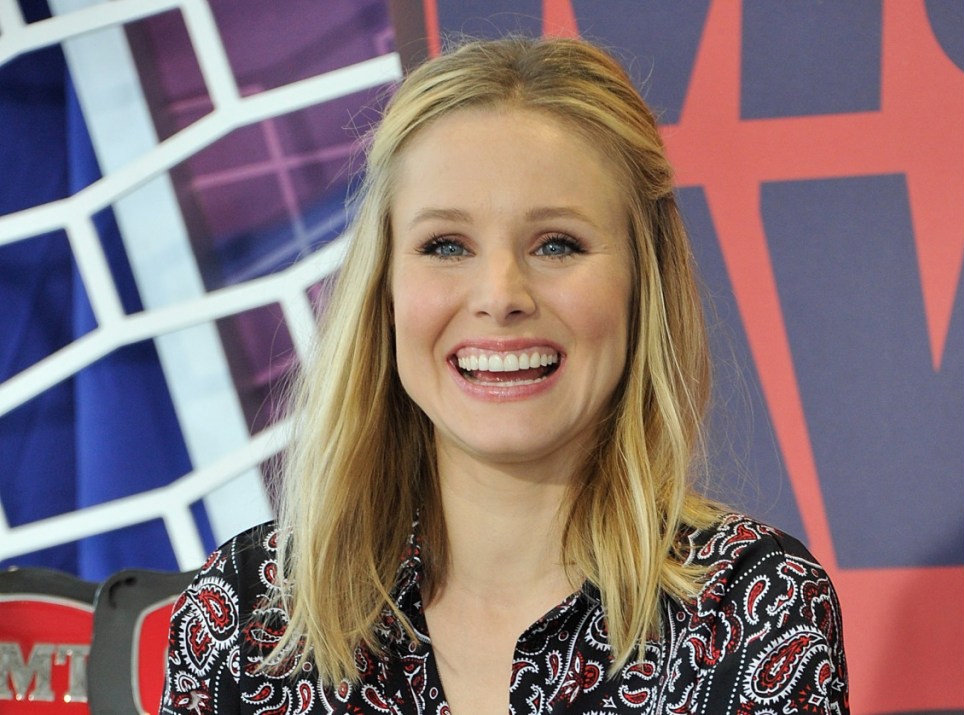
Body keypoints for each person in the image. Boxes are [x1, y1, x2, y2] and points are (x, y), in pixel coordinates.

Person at [160, 35, 849, 714]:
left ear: (645, 283)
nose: (500, 295)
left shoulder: (755, 610)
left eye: (557, 244)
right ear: (383, 289)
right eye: (445, 245)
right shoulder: (244, 614)